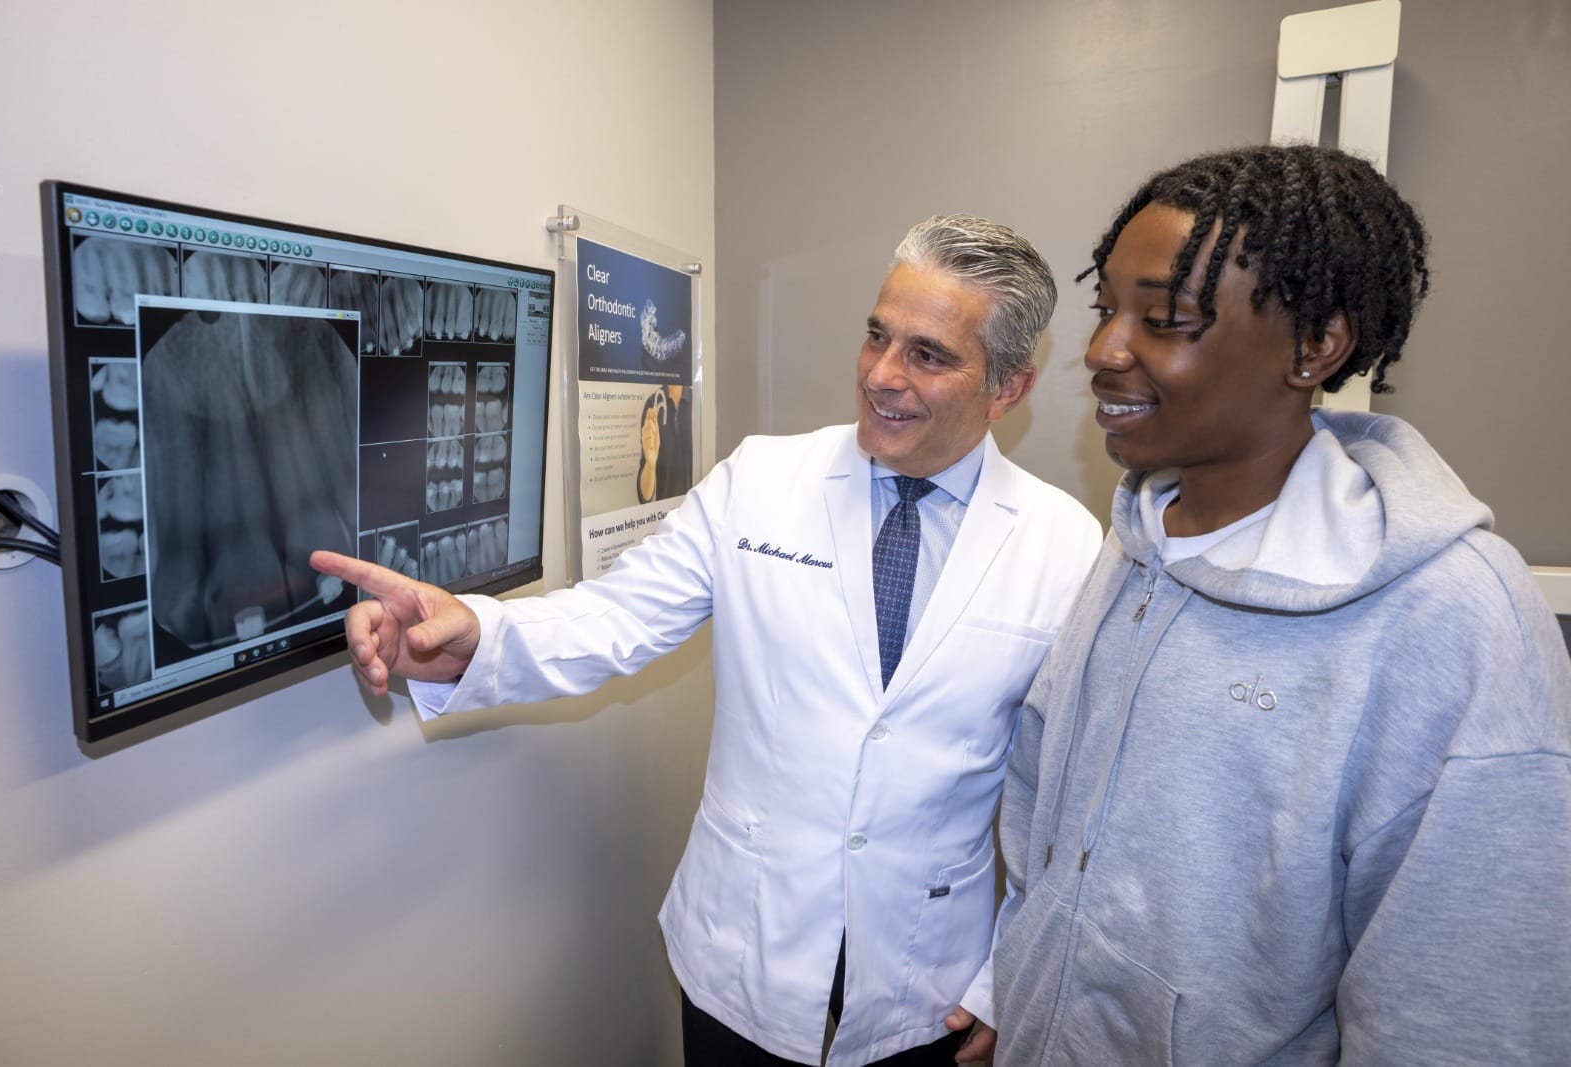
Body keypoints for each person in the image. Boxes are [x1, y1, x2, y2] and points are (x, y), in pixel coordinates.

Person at [311, 214, 1103, 1067]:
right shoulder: (760, 480)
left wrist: (1005, 976)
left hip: (933, 975)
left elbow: (1062, 795)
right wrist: (471, 630)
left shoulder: (1063, 543)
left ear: (1010, 387)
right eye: (877, 336)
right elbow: (616, 615)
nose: (881, 374)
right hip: (742, 939)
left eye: (928, 354)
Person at [992, 144, 1571, 1064]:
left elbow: (1464, 1016)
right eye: (1108, 310)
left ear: (1317, 345)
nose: (1102, 351)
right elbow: (1041, 800)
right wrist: (1022, 986)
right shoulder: (1140, 542)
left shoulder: (1454, 618)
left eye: (1167, 318)